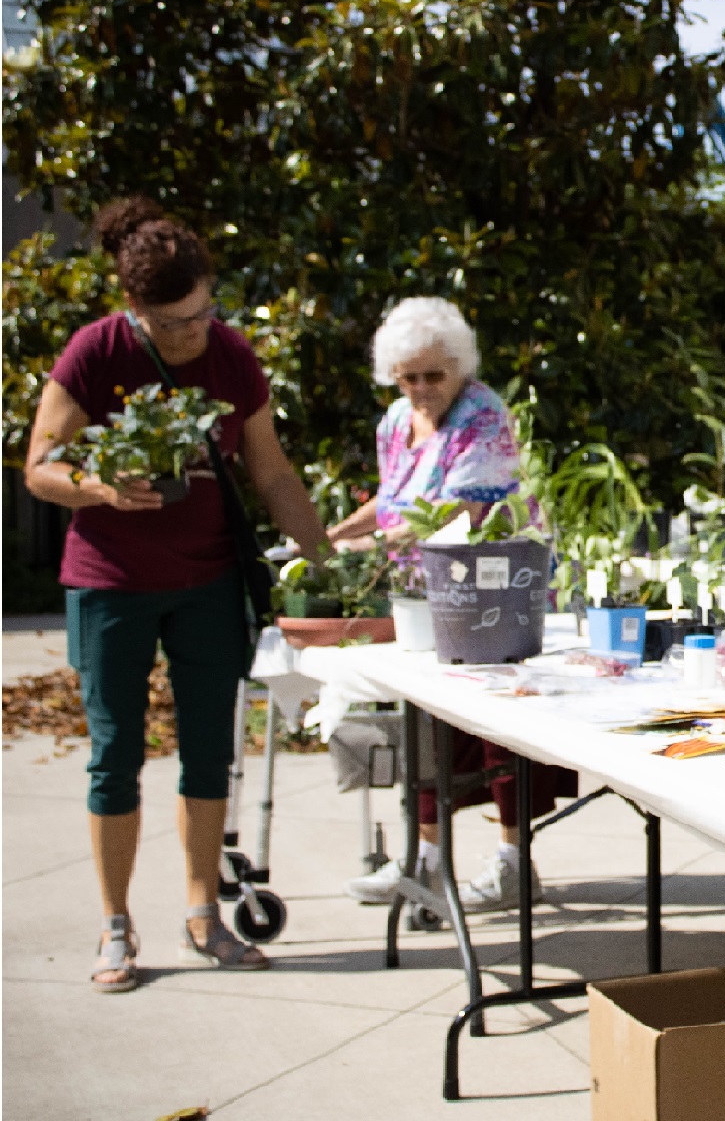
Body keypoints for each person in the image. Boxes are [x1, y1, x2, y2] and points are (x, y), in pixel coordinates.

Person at [25, 198, 332, 992]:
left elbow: (270, 471)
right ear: (135, 311)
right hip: (112, 586)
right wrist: (97, 485)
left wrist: (324, 558)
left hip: (207, 583)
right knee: (114, 756)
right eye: (172, 325)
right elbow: (38, 467)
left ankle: (205, 913)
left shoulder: (231, 355)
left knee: (210, 753)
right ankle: (115, 926)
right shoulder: (93, 352)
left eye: (202, 314)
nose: (192, 334)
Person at [327, 297, 568, 913]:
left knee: (497, 731)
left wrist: (371, 543)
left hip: (492, 586)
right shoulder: (393, 423)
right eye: (409, 377)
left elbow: (463, 510)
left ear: (459, 367)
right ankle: (427, 861)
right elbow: (389, 500)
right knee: (428, 725)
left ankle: (515, 863)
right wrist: (327, 539)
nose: (422, 388)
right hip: (427, 593)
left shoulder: (484, 415)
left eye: (434, 375)